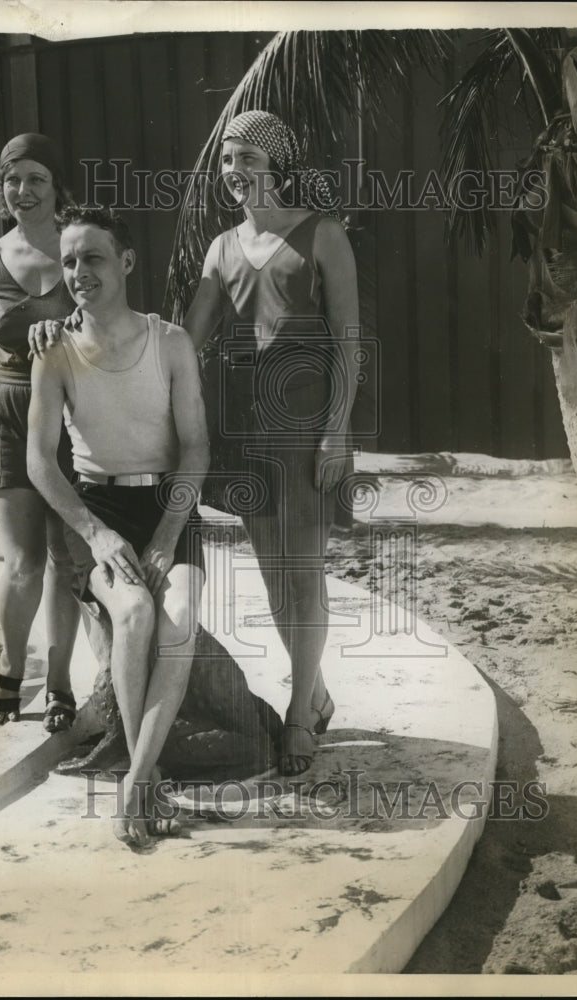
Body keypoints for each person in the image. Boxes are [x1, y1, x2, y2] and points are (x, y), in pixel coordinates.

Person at [181, 110, 360, 776]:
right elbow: (186, 340)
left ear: (276, 165)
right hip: (247, 433)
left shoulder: (323, 235)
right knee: (275, 580)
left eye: (247, 161)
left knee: (304, 575)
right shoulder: (222, 249)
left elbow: (349, 344)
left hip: (309, 429)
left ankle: (297, 715)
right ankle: (315, 690)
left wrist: (338, 431)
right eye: (227, 161)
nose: (234, 173)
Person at [26, 206, 209, 849]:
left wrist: (165, 534)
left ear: (126, 262)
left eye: (93, 257)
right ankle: (145, 772)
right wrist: (99, 537)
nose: (79, 272)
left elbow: (196, 450)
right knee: (132, 611)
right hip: (99, 511)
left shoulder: (171, 342)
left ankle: (135, 778)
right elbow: (39, 462)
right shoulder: (55, 352)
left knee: (179, 613)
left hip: (168, 506)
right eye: (69, 261)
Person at [0, 133, 82, 733]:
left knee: (68, 560)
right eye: (12, 180)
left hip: (71, 415)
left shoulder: (79, 248)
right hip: (4, 410)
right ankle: (12, 661)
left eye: (36, 178)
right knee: (24, 560)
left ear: (57, 186)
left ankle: (59, 681)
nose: (23, 191)